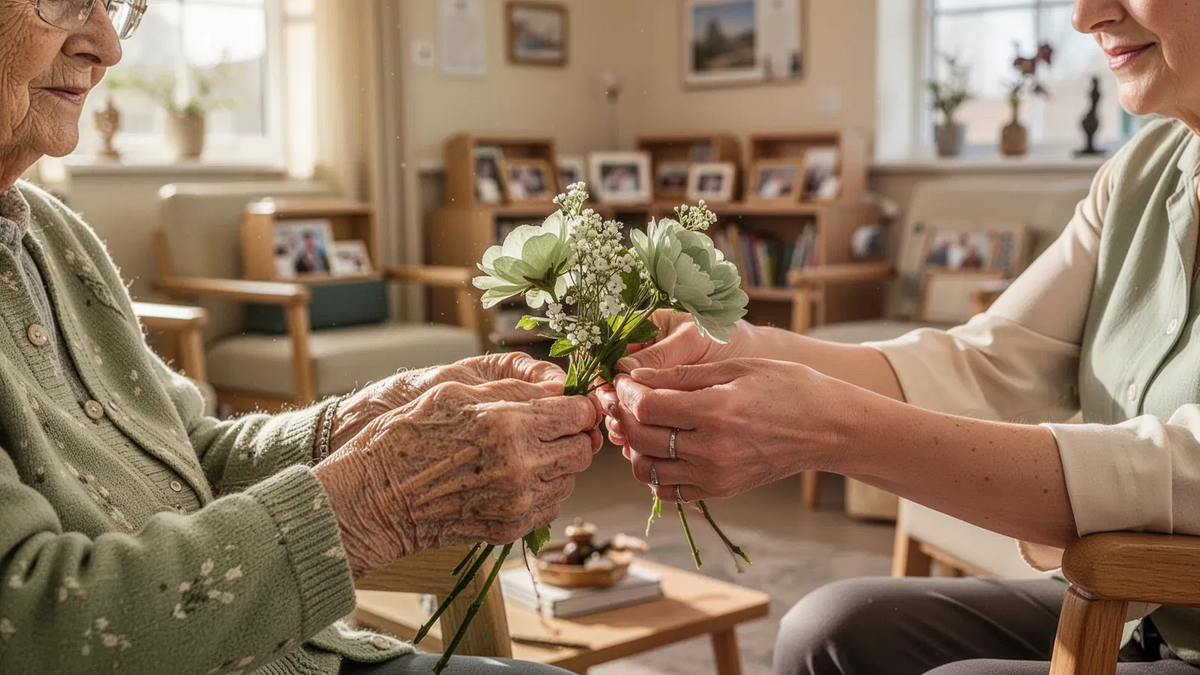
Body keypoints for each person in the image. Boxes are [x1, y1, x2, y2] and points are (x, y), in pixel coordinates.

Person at [599, 1, 1200, 673]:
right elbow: (987, 364)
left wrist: (835, 430)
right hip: (1138, 613)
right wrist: (735, 349)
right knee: (830, 630)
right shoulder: (1142, 172)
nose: (1085, 15)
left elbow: (1183, 469)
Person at [0, 3, 601, 674]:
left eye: (114, 7)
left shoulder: (54, 232)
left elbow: (189, 457)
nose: (107, 46)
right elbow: (29, 626)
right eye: (64, 2)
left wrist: (354, 424)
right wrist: (372, 500)